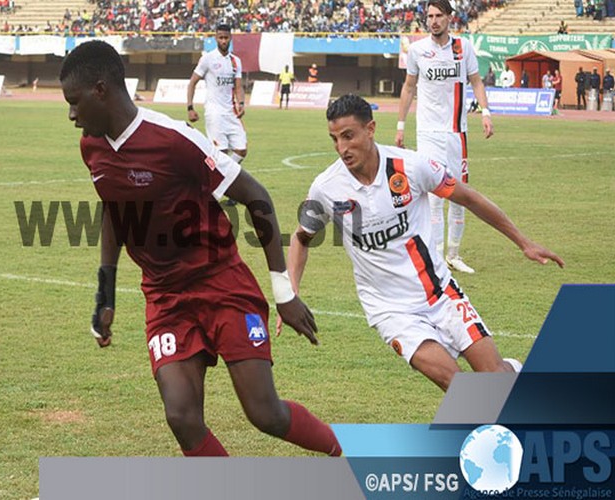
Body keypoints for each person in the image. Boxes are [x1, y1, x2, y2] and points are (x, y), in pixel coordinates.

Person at [61, 40, 342, 457]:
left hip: (221, 283)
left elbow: (257, 197)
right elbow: (115, 212)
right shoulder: (92, 147)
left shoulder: (173, 139)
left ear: (100, 90)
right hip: (165, 297)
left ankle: (346, 454)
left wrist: (284, 292)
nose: (71, 115)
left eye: (74, 102)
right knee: (181, 417)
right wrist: (106, 293)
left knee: (266, 414)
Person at [281, 94, 564, 392]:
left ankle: (514, 373)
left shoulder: (411, 166)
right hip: (391, 311)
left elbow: (468, 198)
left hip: (441, 293)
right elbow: (301, 238)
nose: (342, 148)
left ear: (371, 129)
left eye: (348, 136)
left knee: (497, 378)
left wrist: (523, 242)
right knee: (460, 387)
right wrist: (291, 292)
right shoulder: (326, 188)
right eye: (335, 139)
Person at [396, 0, 493, 275]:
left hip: (456, 132)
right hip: (428, 132)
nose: (434, 21)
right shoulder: (418, 50)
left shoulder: (464, 48)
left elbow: (476, 81)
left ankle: (454, 255)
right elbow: (409, 87)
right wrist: (401, 126)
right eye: (430, 16)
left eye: (439, 15)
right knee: (435, 194)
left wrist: (485, 112)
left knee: (459, 195)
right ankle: (437, 256)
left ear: (450, 17)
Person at [187, 23, 246, 207]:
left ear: (230, 38)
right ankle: (215, 192)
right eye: (220, 37)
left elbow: (238, 86)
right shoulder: (208, 59)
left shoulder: (235, 61)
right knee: (221, 153)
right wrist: (190, 107)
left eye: (226, 37)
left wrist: (241, 103)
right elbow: (192, 82)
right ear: (215, 38)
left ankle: (220, 185)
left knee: (241, 150)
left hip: (231, 112)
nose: (223, 41)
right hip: (214, 113)